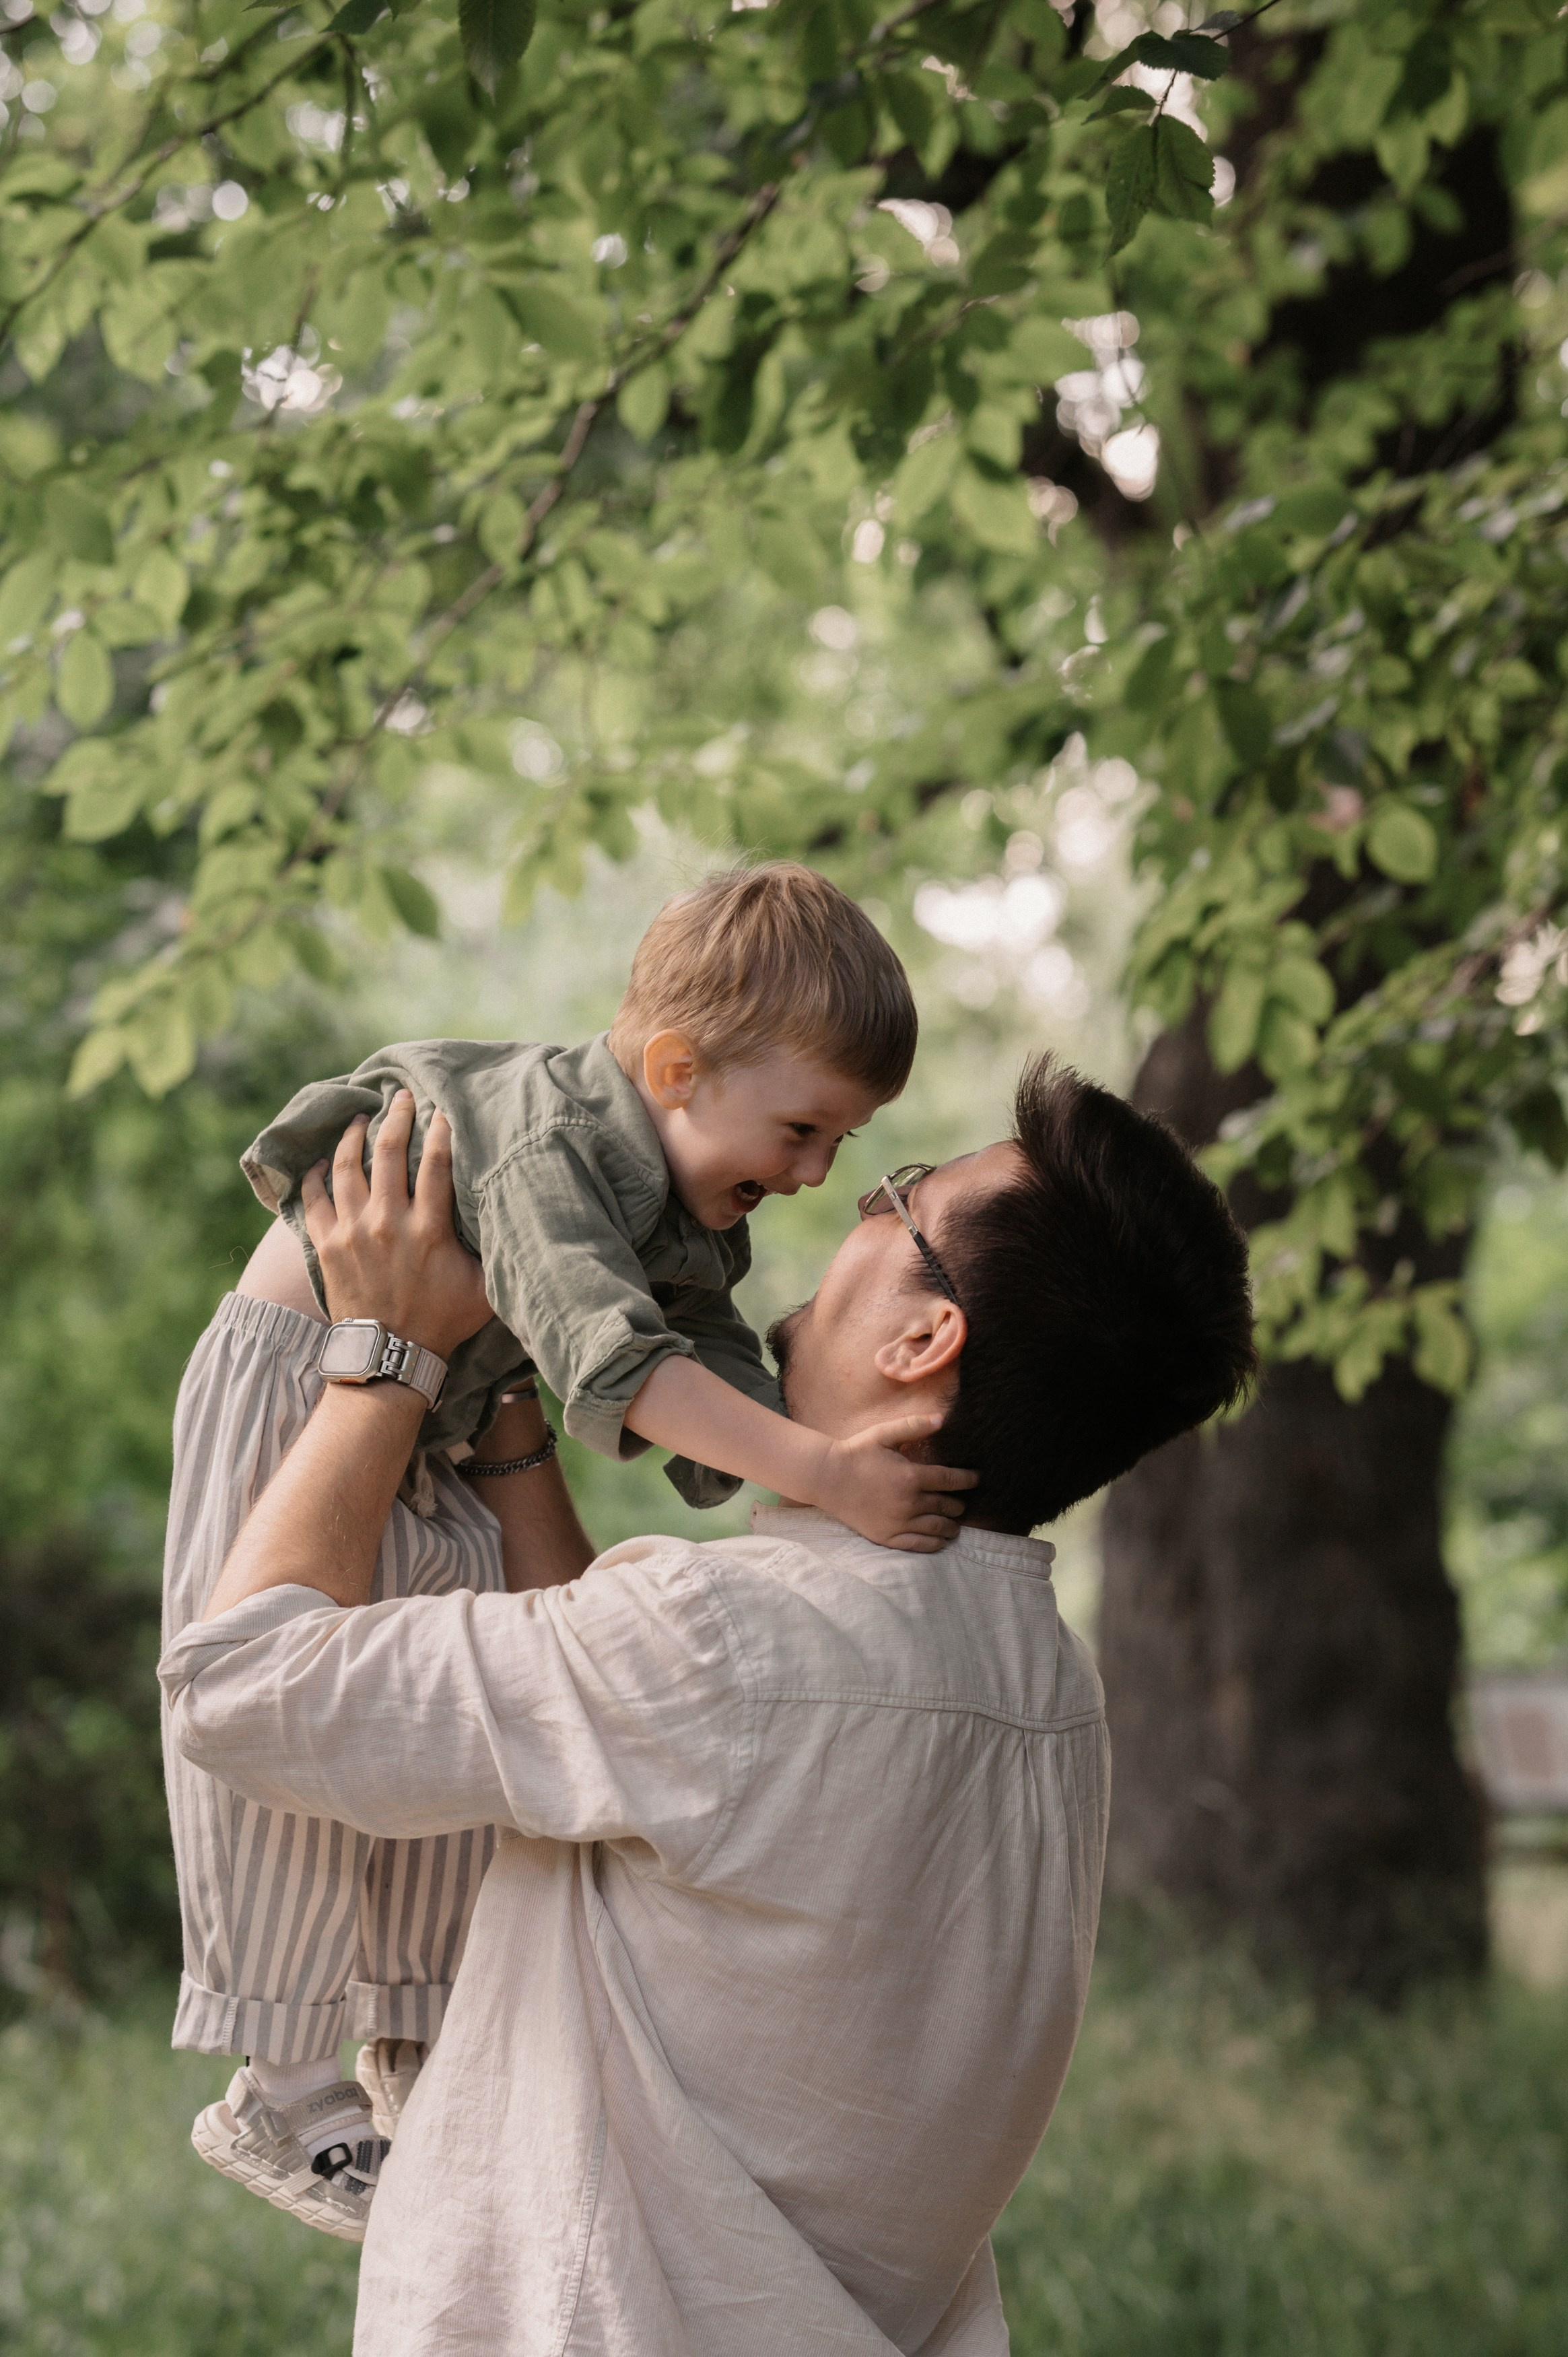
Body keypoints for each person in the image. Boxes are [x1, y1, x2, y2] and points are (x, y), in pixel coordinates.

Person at [160, 1055, 1256, 2354]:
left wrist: (387, 1353)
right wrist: (510, 1402)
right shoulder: (1047, 1697)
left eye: (894, 1202)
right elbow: (627, 1775)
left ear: (922, 1339)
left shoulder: (722, 1647)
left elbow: (236, 1687)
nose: (844, 1200)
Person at [163, 863, 976, 2234]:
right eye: (800, 1129)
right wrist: (828, 1471)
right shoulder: (545, 1146)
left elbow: (707, 1371)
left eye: (840, 1142)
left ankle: (412, 2044)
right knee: (281, 1737)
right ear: (675, 1066)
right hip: (307, 1378)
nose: (813, 1173)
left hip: (440, 1420)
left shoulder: (675, 1195)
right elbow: (612, 1368)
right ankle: (281, 2081)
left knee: (449, 1738)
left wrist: (798, 1448)